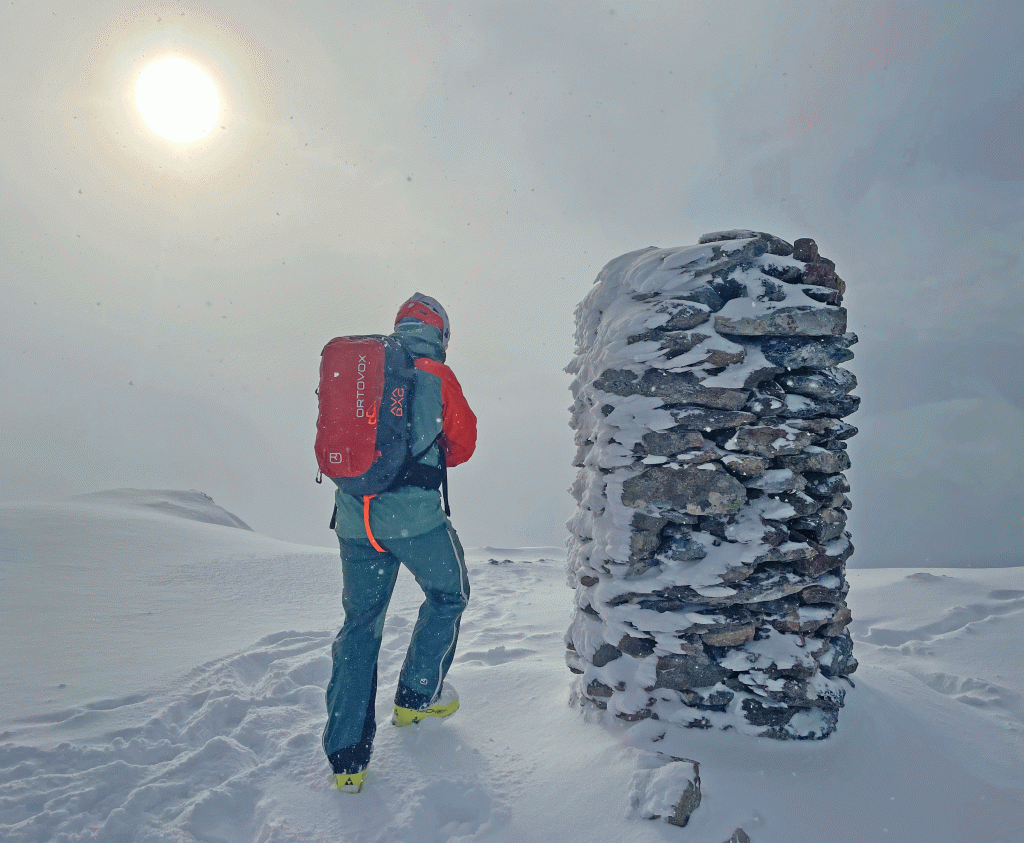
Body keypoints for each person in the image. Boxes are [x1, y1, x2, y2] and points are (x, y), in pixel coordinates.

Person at [322, 293, 478, 794]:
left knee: (361, 625)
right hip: (413, 521)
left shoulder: (363, 367)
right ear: (441, 333)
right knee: (449, 594)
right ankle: (415, 698)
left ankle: (347, 760)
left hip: (354, 521)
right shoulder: (436, 374)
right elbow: (464, 444)